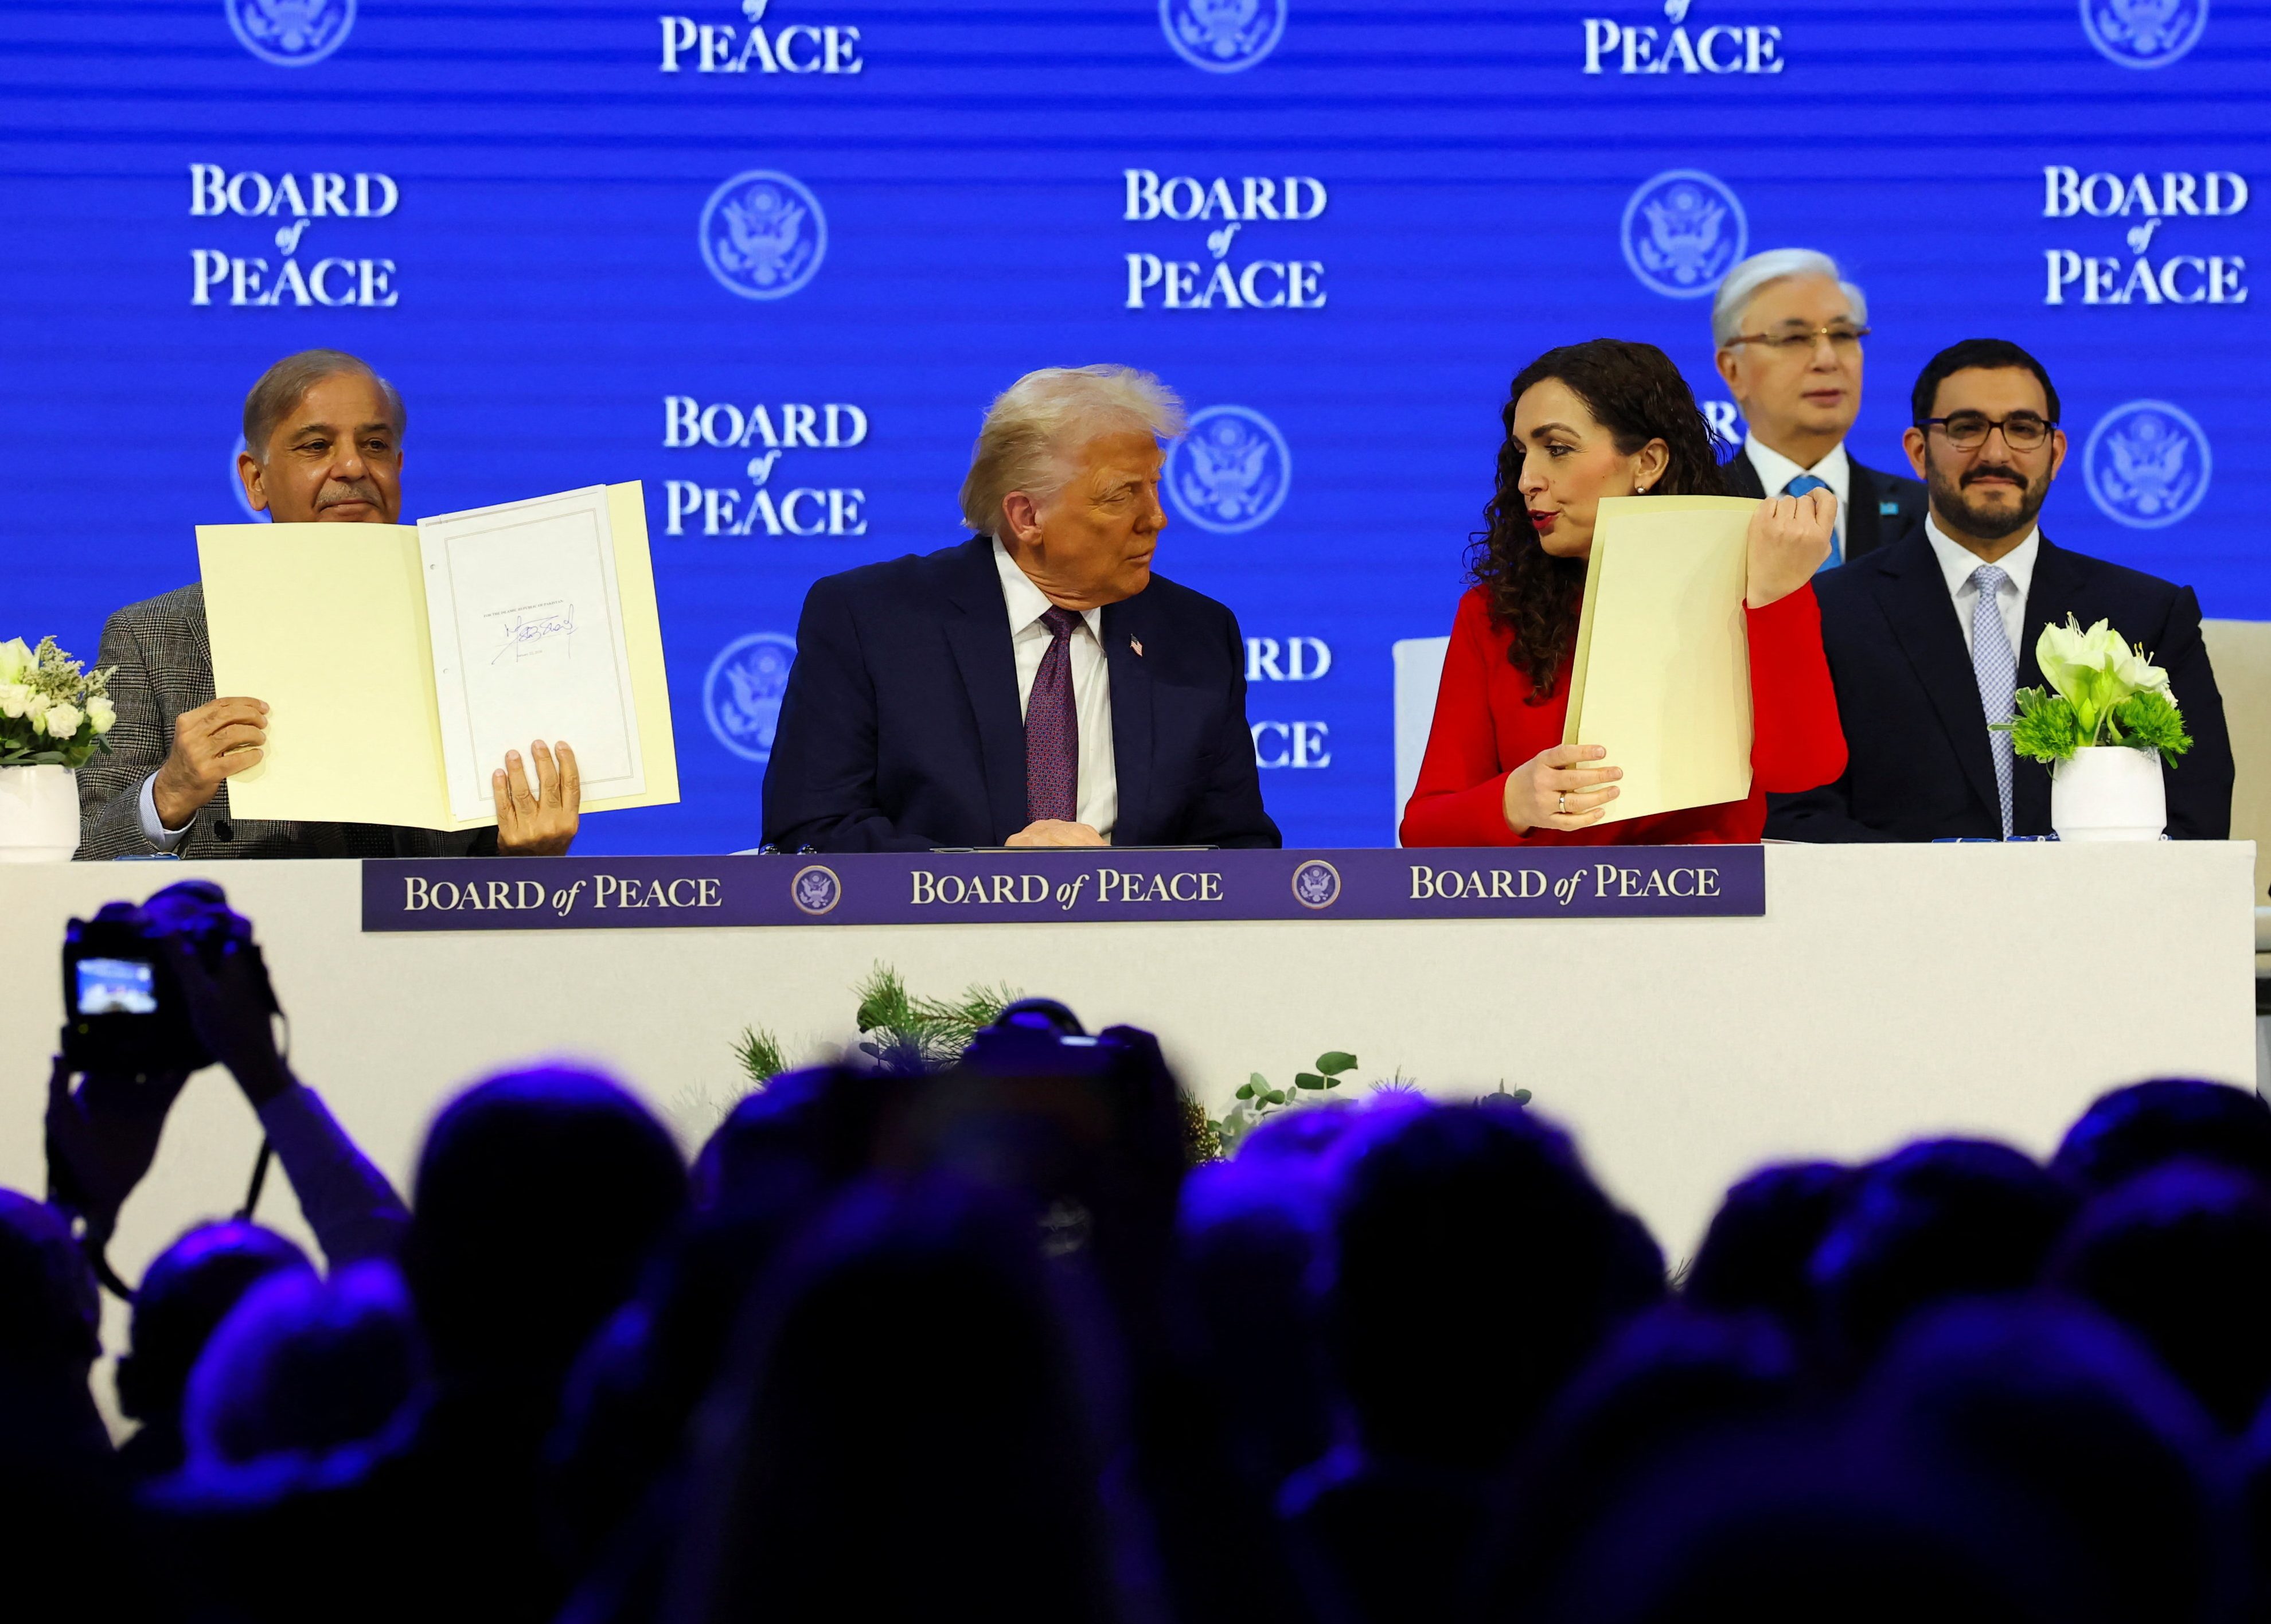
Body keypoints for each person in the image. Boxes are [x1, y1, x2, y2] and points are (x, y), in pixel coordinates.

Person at [75, 349, 580, 860]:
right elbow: (82, 851)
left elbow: (488, 874)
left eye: (376, 445)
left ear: (398, 466)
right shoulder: (154, 636)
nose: (353, 466)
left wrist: (528, 860)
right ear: (255, 479)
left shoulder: (473, 625)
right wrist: (171, 793)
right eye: (316, 446)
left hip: (421, 932)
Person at [762, 364, 1279, 851]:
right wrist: (997, 882)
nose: (1156, 519)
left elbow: (1238, 848)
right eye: (1121, 495)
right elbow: (813, 830)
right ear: (1027, 515)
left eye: (1153, 487)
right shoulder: (872, 621)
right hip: (931, 939)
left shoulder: (1198, 635)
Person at [1764, 339, 2233, 841]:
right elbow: (1799, 816)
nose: (1995, 453)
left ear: (2055, 454)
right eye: (1966, 429)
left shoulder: (2148, 615)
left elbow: (2196, 819)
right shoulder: (1829, 613)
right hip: (1900, 914)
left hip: (2098, 914)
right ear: (1918, 453)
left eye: (2023, 429)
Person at [1399, 339, 1847, 846]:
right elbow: (1423, 829)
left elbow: (1802, 771)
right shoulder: (1493, 611)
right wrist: (1514, 800)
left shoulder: (1751, 582)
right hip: (1543, 913)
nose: (1527, 480)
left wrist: (1777, 596)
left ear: (1648, 463)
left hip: (1707, 911)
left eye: (1559, 449)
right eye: (1522, 454)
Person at [1713, 249, 1925, 566]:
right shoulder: (1699, 510)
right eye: (1794, 338)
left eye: (1842, 335)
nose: (1827, 360)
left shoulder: (1927, 518)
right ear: (1733, 371)